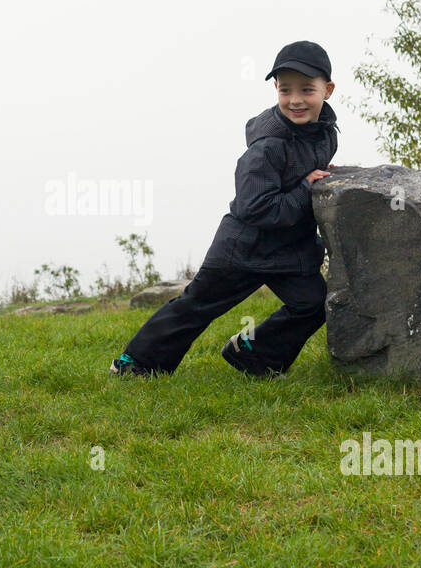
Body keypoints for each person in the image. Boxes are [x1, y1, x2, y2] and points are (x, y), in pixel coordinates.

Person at [110, 41, 339, 377]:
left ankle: (252, 352)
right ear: (275, 88)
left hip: (289, 250)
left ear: (328, 90)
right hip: (243, 248)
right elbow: (255, 207)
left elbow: (310, 169)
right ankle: (135, 364)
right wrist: (306, 188)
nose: (295, 100)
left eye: (307, 89)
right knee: (197, 305)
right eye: (286, 89)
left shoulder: (325, 133)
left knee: (313, 304)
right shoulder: (267, 147)